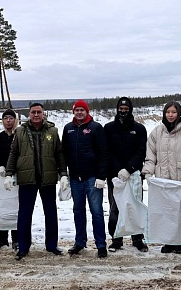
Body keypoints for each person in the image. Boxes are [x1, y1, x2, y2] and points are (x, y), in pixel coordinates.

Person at [4, 103, 68, 260]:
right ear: (29, 114)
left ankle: (52, 245)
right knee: (25, 213)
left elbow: (59, 153)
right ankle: (23, 247)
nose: (36, 115)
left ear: (43, 114)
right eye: (33, 112)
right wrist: (9, 173)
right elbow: (13, 153)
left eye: (39, 112)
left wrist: (63, 174)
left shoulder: (52, 131)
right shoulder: (20, 131)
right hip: (27, 179)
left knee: (51, 213)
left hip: (48, 179)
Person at [142, 101, 181, 254]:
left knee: (179, 212)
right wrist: (148, 172)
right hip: (162, 180)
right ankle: (167, 241)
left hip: (180, 180)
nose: (171, 115)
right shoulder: (156, 132)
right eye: (168, 112)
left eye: (174, 112)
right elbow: (151, 155)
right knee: (165, 211)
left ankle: (179, 241)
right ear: (164, 113)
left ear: (179, 114)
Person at [62, 100, 108, 258]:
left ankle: (101, 244)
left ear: (87, 111)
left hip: (92, 178)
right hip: (75, 178)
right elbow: (64, 153)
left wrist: (102, 176)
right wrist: (64, 174)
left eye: (82, 110)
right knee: (78, 211)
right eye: (77, 110)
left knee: (96, 212)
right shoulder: (68, 129)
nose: (80, 112)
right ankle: (80, 242)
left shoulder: (95, 128)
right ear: (73, 112)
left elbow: (103, 153)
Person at [104, 96, 148, 253]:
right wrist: (118, 170)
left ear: (130, 110)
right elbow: (107, 151)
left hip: (134, 174)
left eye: (126, 109)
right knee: (116, 207)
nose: (123, 111)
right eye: (121, 109)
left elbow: (141, 151)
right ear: (117, 109)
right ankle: (116, 239)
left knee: (135, 206)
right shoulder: (108, 128)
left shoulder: (139, 129)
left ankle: (137, 239)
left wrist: (129, 169)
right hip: (115, 176)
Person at [0, 109, 19, 251]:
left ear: (15, 119)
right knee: (2, 207)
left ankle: (16, 239)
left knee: (15, 207)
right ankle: (2, 239)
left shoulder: (20, 134)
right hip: (2, 176)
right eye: (5, 118)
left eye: (11, 118)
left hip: (17, 176)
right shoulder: (0, 137)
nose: (8, 120)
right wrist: (0, 166)